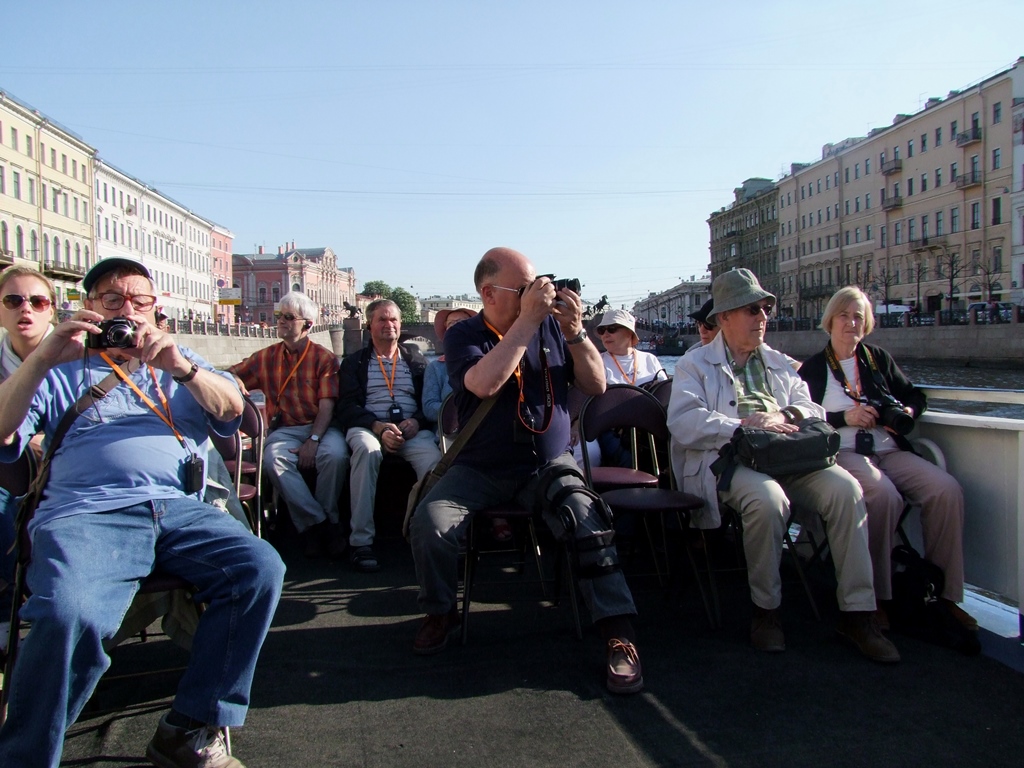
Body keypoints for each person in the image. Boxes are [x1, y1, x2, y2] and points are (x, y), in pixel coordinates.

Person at [0, 257, 285, 768]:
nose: (127, 311)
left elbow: (235, 411)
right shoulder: (62, 366)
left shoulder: (180, 359)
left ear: (156, 309)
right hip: (87, 513)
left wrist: (185, 368)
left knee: (259, 567)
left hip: (179, 509)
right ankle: (25, 756)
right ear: (89, 308)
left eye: (140, 301)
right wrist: (41, 358)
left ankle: (190, 726)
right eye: (112, 300)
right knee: (69, 613)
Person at [409, 247, 643, 694]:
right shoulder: (466, 335)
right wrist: (527, 323)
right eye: (525, 289)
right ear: (489, 292)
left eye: (541, 285)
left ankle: (619, 632)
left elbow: (595, 385)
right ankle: (440, 611)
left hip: (545, 463)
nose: (539, 294)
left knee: (587, 518)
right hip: (479, 466)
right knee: (431, 523)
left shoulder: (552, 327)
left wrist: (575, 333)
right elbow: (483, 384)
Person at [667, 268, 899, 662]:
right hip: (730, 459)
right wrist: (745, 424)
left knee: (847, 491)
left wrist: (786, 414)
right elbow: (684, 423)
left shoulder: (780, 363)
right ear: (724, 317)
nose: (763, 317)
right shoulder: (694, 365)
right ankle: (767, 611)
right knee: (767, 499)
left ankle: (858, 614)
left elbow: (811, 407)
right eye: (752, 309)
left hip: (789, 454)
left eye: (765, 309)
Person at [798, 286, 975, 631]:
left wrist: (905, 410)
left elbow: (914, 396)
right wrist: (844, 418)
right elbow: (803, 420)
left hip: (889, 449)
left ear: (866, 325)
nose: (851, 323)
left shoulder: (877, 359)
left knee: (946, 490)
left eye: (858, 317)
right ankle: (877, 596)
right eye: (844, 316)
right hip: (843, 452)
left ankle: (943, 594)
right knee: (883, 496)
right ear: (830, 321)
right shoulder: (815, 369)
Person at [230, 291, 349, 559]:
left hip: (323, 427)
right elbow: (227, 376)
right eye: (278, 316)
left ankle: (323, 521)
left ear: (307, 324)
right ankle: (320, 524)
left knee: (336, 456)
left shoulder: (324, 358)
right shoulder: (265, 357)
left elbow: (327, 406)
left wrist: (313, 441)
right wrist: (234, 382)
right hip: (284, 430)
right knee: (273, 459)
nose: (280, 322)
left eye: (288, 317)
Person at [334, 299, 442, 572]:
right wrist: (378, 427)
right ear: (369, 325)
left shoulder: (416, 360)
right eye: (382, 319)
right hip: (370, 428)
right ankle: (361, 542)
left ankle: (427, 533)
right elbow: (346, 407)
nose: (388, 324)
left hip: (410, 430)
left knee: (434, 462)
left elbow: (427, 402)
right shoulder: (354, 363)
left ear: (400, 324)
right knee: (367, 451)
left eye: (393, 319)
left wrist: (416, 422)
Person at [0, 267, 55, 662]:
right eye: (14, 301)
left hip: (63, 477)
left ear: (51, 311)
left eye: (37, 301)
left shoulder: (76, 357)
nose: (26, 309)